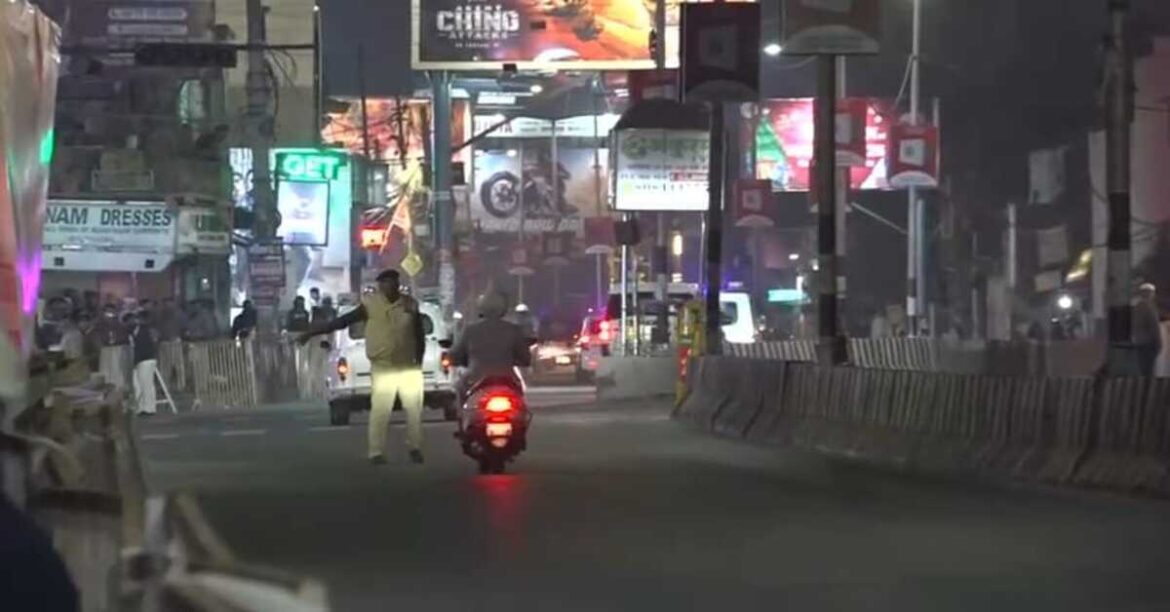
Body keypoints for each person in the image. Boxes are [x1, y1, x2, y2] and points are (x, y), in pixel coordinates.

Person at [298, 269, 426, 465]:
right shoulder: (370, 304)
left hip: (408, 366)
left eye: (391, 282)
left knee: (414, 409)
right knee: (380, 410)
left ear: (396, 284)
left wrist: (419, 361)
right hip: (383, 366)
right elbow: (342, 322)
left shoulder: (409, 304)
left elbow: (419, 335)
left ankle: (414, 448)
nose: (387, 286)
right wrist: (312, 333)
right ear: (379, 286)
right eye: (383, 283)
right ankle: (376, 451)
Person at [450, 291, 533, 424]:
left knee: (459, 387)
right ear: (503, 309)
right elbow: (525, 358)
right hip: (508, 378)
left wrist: (459, 359)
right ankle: (521, 422)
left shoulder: (470, 330)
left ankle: (462, 419)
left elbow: (455, 355)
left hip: (475, 378)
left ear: (481, 308)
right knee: (519, 396)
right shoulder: (513, 330)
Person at [129, 310, 159, 416]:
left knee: (146, 384)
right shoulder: (136, 330)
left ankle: (149, 408)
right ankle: (141, 407)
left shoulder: (147, 329)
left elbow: (148, 344)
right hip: (140, 359)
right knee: (138, 385)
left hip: (146, 359)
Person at [1134, 283, 1163, 377]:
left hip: (1138, 342)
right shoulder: (1150, 308)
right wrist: (1159, 343)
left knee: (1142, 369)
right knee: (1150, 370)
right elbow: (1154, 327)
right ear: (1150, 293)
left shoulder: (1136, 307)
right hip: (1149, 343)